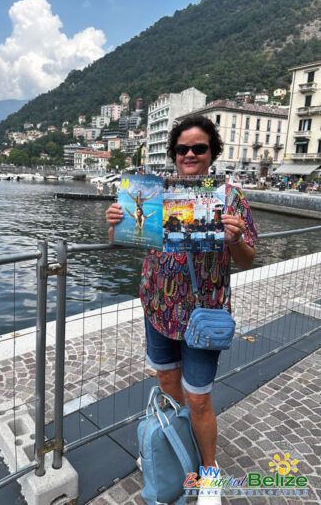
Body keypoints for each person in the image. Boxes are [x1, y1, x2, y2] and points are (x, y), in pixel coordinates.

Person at [106, 115, 257, 504]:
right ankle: (175, 452)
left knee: (200, 399)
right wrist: (114, 224)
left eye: (199, 148)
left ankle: (209, 475)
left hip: (202, 316)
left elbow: (248, 260)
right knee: (169, 389)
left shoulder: (230, 197)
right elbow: (123, 239)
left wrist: (235, 239)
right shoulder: (154, 192)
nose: (190, 154)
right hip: (158, 308)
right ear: (173, 153)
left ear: (212, 152)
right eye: (182, 148)